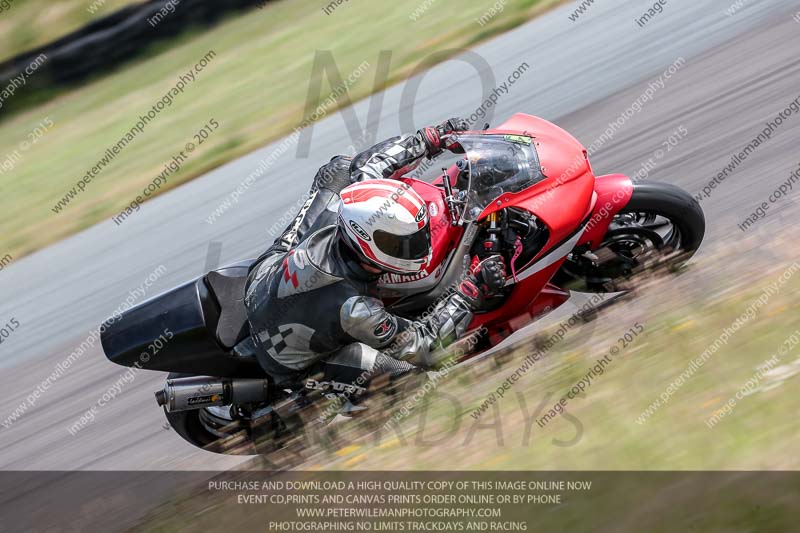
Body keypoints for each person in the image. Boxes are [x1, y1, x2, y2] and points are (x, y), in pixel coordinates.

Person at [242, 119, 506, 387]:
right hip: (284, 358)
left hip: (264, 273)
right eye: (402, 243)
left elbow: (369, 166)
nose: (419, 246)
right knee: (409, 377)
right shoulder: (358, 309)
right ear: (369, 244)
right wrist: (471, 291)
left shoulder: (342, 211)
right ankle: (313, 392)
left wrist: (430, 138)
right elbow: (425, 345)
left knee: (340, 169)